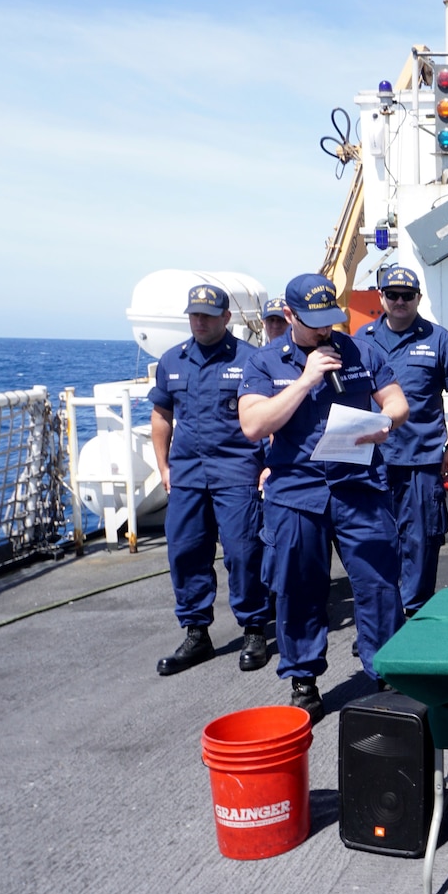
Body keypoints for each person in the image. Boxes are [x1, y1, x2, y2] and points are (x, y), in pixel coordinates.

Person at [237, 273, 409, 722]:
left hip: (359, 486)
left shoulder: (362, 350)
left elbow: (396, 402)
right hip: (297, 493)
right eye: (314, 322)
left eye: (330, 319)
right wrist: (304, 380)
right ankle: (304, 679)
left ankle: (385, 673)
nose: (324, 330)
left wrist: (386, 423)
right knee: (298, 589)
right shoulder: (265, 362)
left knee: (378, 584)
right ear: (289, 316)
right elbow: (254, 426)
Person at [148, 284, 273, 676]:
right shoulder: (172, 360)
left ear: (225, 318)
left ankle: (254, 628)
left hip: (237, 470)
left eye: (206, 315)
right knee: (185, 552)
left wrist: (269, 464)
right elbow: (162, 416)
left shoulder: (252, 360)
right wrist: (164, 467)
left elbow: (269, 417)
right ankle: (196, 632)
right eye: (193, 314)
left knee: (244, 551)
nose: (198, 321)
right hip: (187, 474)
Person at [358, 265, 448, 615]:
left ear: (418, 298)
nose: (399, 301)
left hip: (422, 458)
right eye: (392, 294)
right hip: (373, 460)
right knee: (375, 538)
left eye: (407, 295)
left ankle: (414, 611)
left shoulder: (438, 339)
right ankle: (383, 614)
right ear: (381, 297)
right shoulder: (361, 339)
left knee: (421, 541)